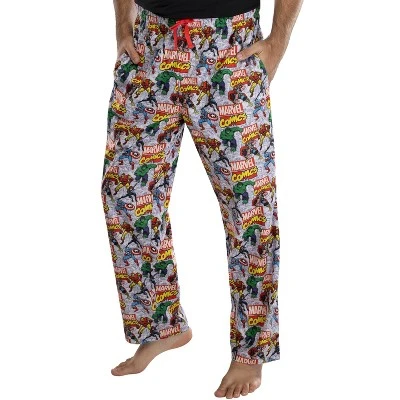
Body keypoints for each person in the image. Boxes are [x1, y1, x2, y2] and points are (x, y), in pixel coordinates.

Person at [100, 0, 303, 397]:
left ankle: (251, 351)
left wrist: (277, 41)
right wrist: (124, 25)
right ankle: (161, 325)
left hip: (230, 47)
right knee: (125, 193)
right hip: (149, 44)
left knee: (250, 206)